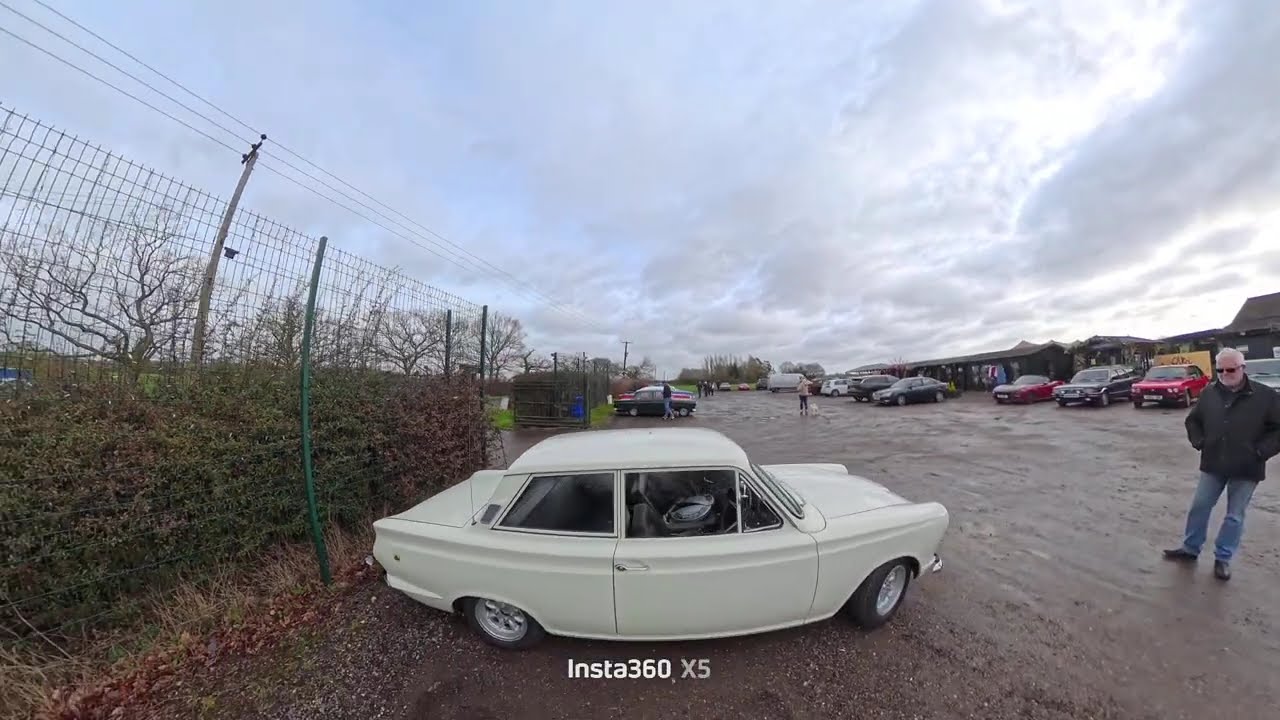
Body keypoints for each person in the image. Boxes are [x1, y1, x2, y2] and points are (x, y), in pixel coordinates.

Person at [1163, 348, 1280, 580]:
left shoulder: (1266, 396)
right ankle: (1190, 548)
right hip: (1214, 462)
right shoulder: (1209, 393)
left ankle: (1223, 558)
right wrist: (1199, 442)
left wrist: (1260, 451)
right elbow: (1193, 420)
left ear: (1242, 368)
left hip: (1247, 467)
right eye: (1220, 370)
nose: (1225, 374)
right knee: (1200, 506)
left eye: (1231, 369)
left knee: (1234, 515)